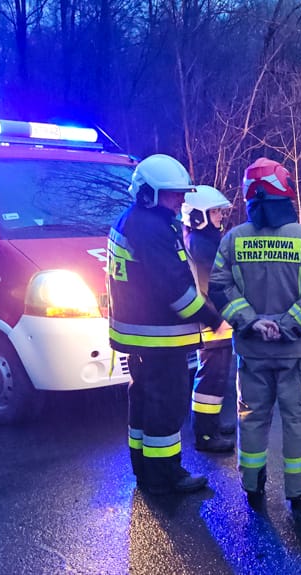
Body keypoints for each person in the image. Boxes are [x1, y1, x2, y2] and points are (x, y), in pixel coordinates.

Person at [208, 157, 301, 506]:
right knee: (298, 418)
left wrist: (251, 321)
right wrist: (287, 325)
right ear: (285, 192)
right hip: (296, 353)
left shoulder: (233, 240)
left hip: (251, 351)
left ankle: (252, 483)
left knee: (251, 417)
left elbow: (219, 289)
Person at [107, 154, 229, 495]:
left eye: (181, 193)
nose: (180, 200)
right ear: (149, 193)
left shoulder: (131, 221)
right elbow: (176, 289)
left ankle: (145, 470)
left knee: (142, 401)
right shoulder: (152, 229)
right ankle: (166, 476)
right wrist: (211, 317)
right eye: (173, 193)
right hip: (159, 338)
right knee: (166, 406)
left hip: (140, 336)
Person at [182, 185, 236, 453]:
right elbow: (212, 284)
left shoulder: (202, 240)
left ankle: (211, 425)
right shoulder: (201, 243)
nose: (219, 217)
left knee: (216, 377)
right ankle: (205, 435)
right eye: (214, 212)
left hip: (215, 320)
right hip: (213, 322)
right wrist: (221, 318)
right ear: (198, 215)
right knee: (210, 378)